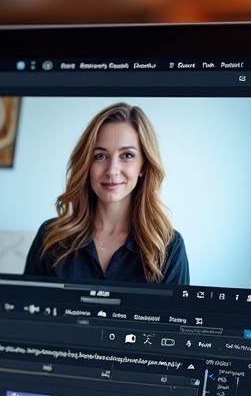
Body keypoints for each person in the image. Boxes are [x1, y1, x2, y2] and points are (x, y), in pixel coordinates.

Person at [23, 103, 189, 284]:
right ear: (87, 164)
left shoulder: (169, 248)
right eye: (100, 156)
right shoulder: (50, 237)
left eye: (127, 155)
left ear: (143, 166)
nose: (112, 170)